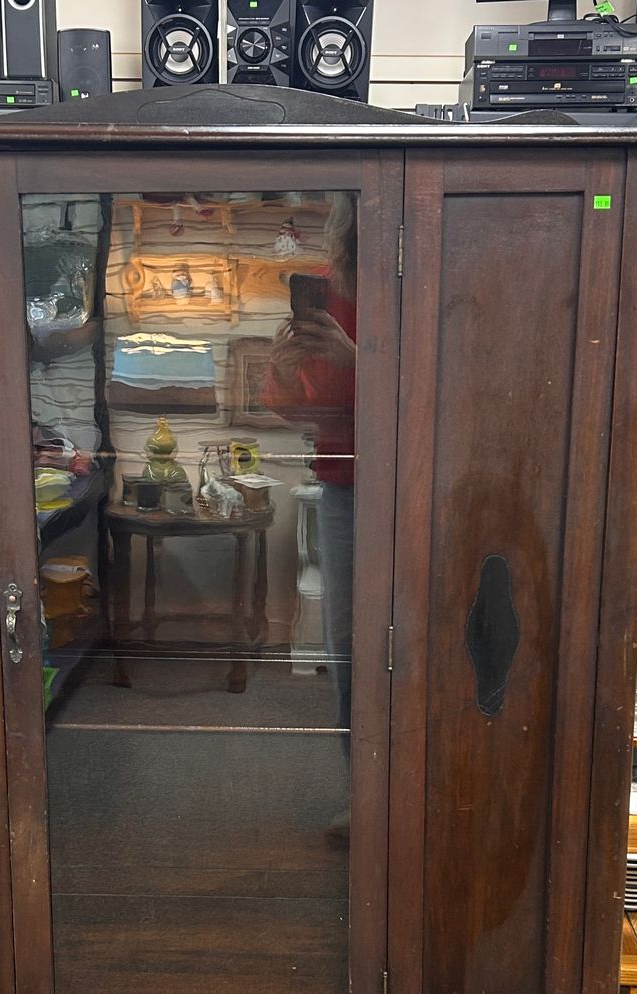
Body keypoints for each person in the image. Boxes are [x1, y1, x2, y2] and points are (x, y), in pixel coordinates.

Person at [264, 195, 357, 838]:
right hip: (346, 486)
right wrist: (282, 369)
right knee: (348, 648)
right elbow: (307, 412)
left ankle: (409, 794)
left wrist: (361, 359)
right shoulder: (330, 288)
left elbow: (445, 386)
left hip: (419, 483)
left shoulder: (427, 271)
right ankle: (367, 793)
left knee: (413, 643)